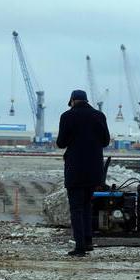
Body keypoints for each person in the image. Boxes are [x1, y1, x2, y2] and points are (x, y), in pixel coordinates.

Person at [56, 89, 111, 257]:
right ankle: (87, 241)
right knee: (87, 205)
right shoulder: (99, 116)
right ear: (86, 100)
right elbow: (106, 141)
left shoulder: (67, 116)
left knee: (76, 208)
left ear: (72, 100)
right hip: (94, 169)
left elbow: (61, 143)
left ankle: (79, 247)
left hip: (76, 169)